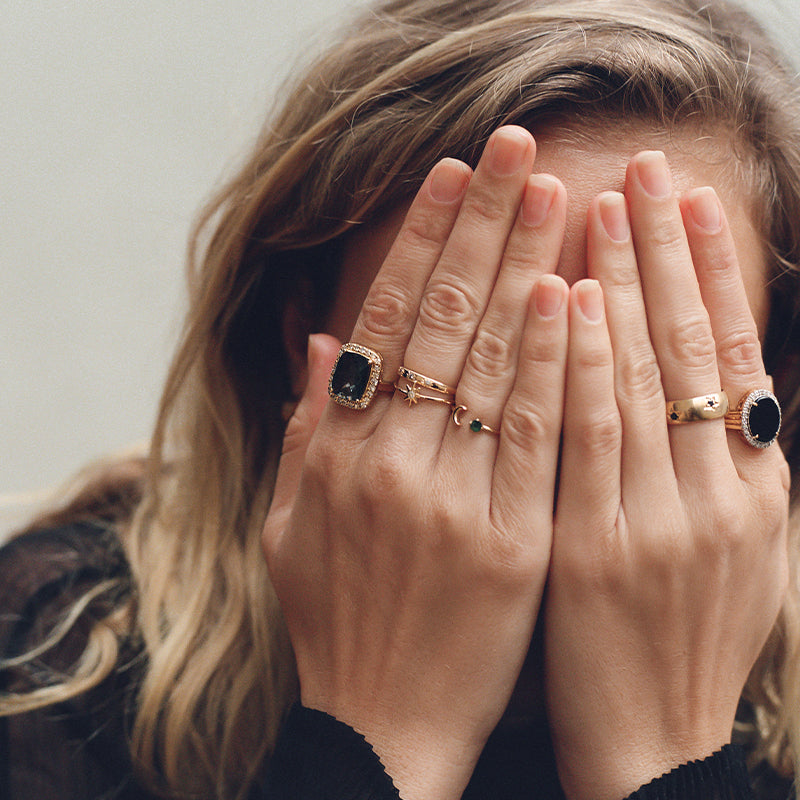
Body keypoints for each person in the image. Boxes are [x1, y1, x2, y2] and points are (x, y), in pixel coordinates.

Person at [1, 0, 799, 798]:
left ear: (774, 394)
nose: (562, 430)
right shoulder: (64, 660)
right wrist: (380, 735)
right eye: (472, 360)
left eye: (649, 365)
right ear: (303, 347)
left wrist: (665, 755)